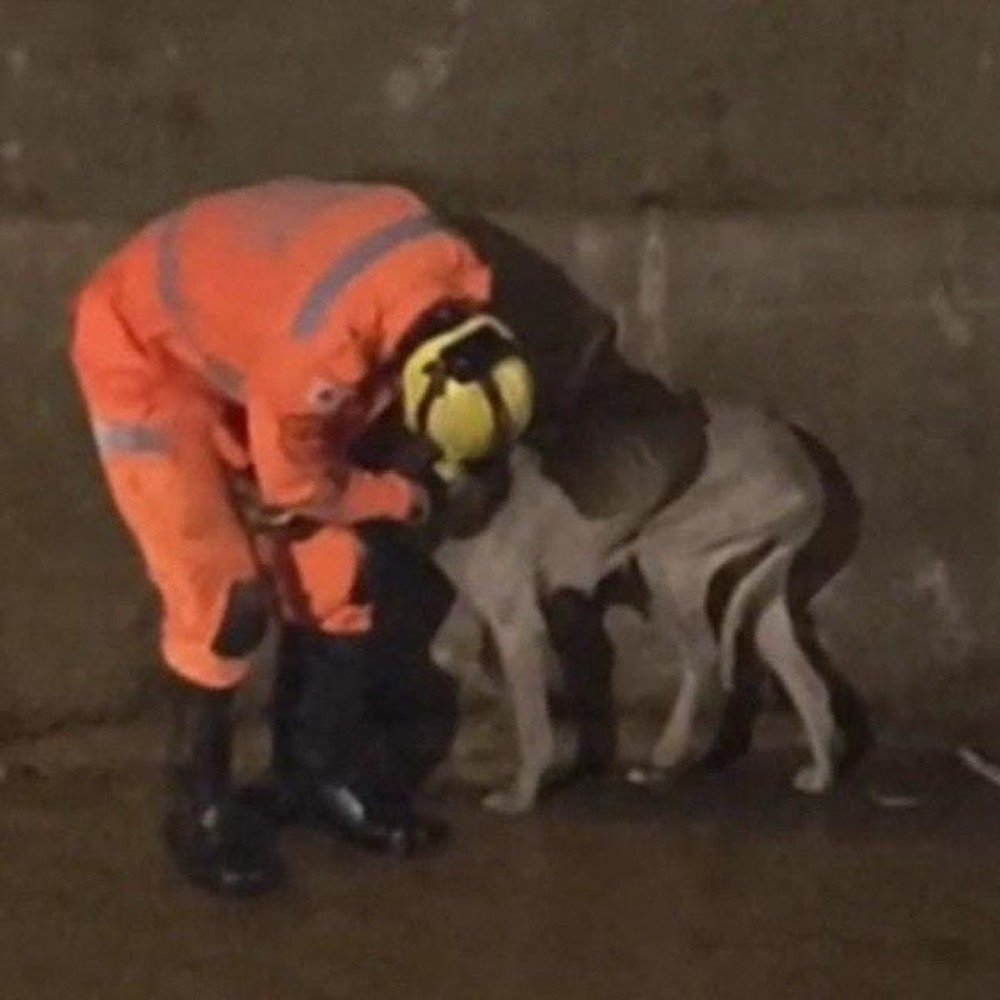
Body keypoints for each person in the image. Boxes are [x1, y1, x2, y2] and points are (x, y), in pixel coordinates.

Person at [68, 178, 534, 896]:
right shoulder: (324, 351)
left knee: (333, 573)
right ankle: (198, 809)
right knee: (225, 601)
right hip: (146, 353)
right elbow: (296, 486)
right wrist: (405, 498)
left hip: (249, 340)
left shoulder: (453, 277)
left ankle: (316, 774)